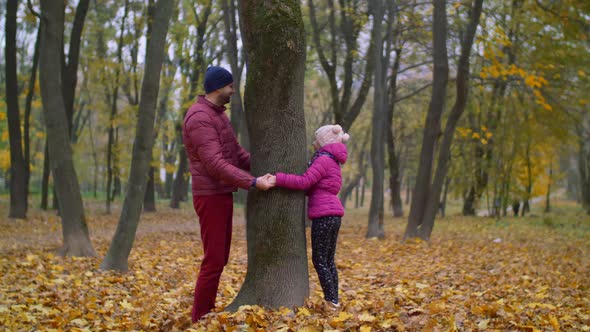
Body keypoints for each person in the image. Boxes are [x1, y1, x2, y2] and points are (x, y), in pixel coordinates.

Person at [182, 66, 272, 321]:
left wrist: (268, 164)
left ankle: (205, 313)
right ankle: (199, 317)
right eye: (231, 86)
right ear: (219, 87)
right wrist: (253, 183)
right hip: (209, 196)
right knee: (214, 260)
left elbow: (237, 155)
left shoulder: (218, 115)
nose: (234, 90)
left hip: (221, 193)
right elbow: (215, 164)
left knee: (220, 258)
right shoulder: (199, 117)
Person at [267, 124, 350, 310]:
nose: (314, 143)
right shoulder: (332, 160)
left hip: (324, 215)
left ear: (324, 142)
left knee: (320, 259)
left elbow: (305, 182)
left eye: (317, 140)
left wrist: (278, 179)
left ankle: (332, 302)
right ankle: (334, 300)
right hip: (333, 214)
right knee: (328, 259)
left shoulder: (323, 160)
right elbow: (315, 187)